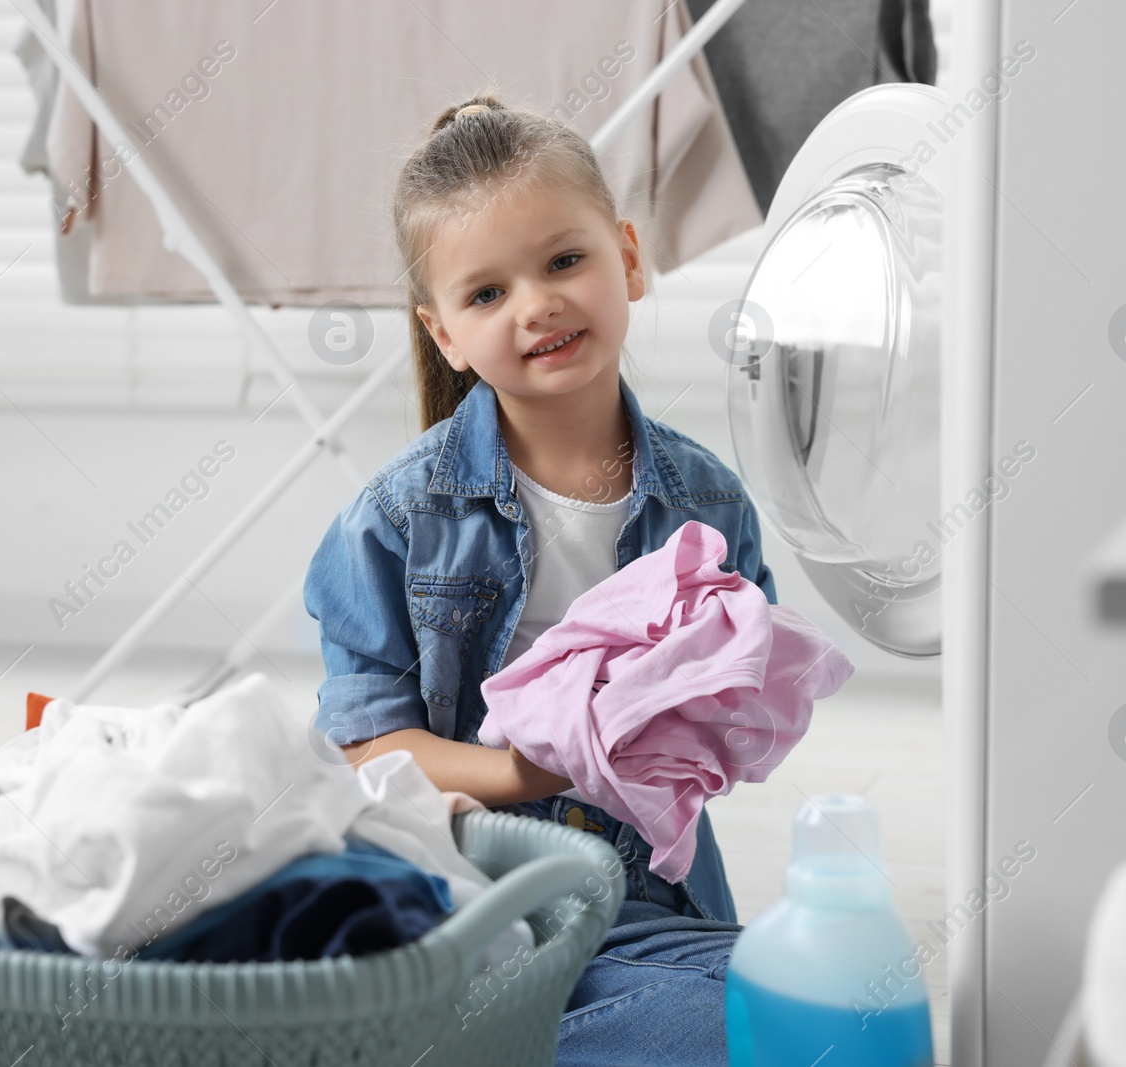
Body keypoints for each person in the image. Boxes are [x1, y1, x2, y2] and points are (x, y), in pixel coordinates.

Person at [302, 92, 779, 1066]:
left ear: (629, 257)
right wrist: (532, 769)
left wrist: (702, 698)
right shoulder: (397, 519)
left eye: (565, 260)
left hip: (643, 899)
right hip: (461, 883)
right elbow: (365, 746)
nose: (537, 304)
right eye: (486, 294)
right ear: (444, 335)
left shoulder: (709, 507)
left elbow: (736, 715)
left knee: (790, 1006)